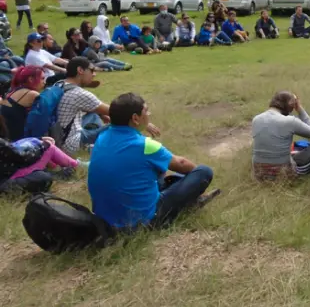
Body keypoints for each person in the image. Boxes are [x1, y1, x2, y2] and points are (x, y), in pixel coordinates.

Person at [88, 92, 216, 230]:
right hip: (142, 221)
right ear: (135, 118)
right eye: (146, 110)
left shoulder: (102, 138)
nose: (149, 114)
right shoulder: (144, 145)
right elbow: (182, 164)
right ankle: (192, 200)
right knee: (204, 172)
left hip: (104, 221)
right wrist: (195, 177)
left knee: (161, 174)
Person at [0, 121, 87, 196]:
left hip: (8, 174)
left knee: (34, 144)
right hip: (6, 181)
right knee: (43, 175)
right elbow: (22, 157)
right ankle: (73, 166)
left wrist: (36, 141)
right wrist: (42, 146)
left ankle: (66, 169)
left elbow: (10, 150)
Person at [251, 91, 310, 181]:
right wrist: (299, 109)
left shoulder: (256, 119)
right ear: (291, 105)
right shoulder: (289, 121)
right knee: (309, 147)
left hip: (258, 175)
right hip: (282, 175)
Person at [57, 57, 112, 156]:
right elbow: (118, 112)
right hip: (71, 143)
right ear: (80, 70)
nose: (94, 74)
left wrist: (102, 115)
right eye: (91, 70)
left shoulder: (59, 84)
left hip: (58, 137)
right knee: (119, 123)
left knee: (94, 114)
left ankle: (94, 137)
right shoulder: (79, 93)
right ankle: (92, 144)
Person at [0, 66, 44, 141]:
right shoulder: (32, 94)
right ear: (31, 79)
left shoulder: (15, 89)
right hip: (15, 138)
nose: (44, 81)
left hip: (6, 134)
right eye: (42, 78)